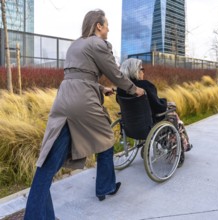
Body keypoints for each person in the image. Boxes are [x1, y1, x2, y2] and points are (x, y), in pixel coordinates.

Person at [24, 10, 145, 220]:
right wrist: (135, 89)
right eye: (106, 25)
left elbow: (78, 75)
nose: (108, 29)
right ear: (98, 26)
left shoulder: (75, 45)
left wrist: (100, 88)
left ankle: (39, 216)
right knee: (106, 138)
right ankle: (104, 186)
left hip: (64, 99)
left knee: (48, 162)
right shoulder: (98, 44)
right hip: (82, 101)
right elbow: (115, 74)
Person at [117, 58, 193, 153]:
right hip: (149, 123)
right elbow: (159, 107)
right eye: (142, 69)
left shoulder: (121, 89)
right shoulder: (145, 85)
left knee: (169, 108)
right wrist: (164, 102)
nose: (143, 72)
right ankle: (182, 144)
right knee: (173, 113)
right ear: (135, 71)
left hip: (130, 125)